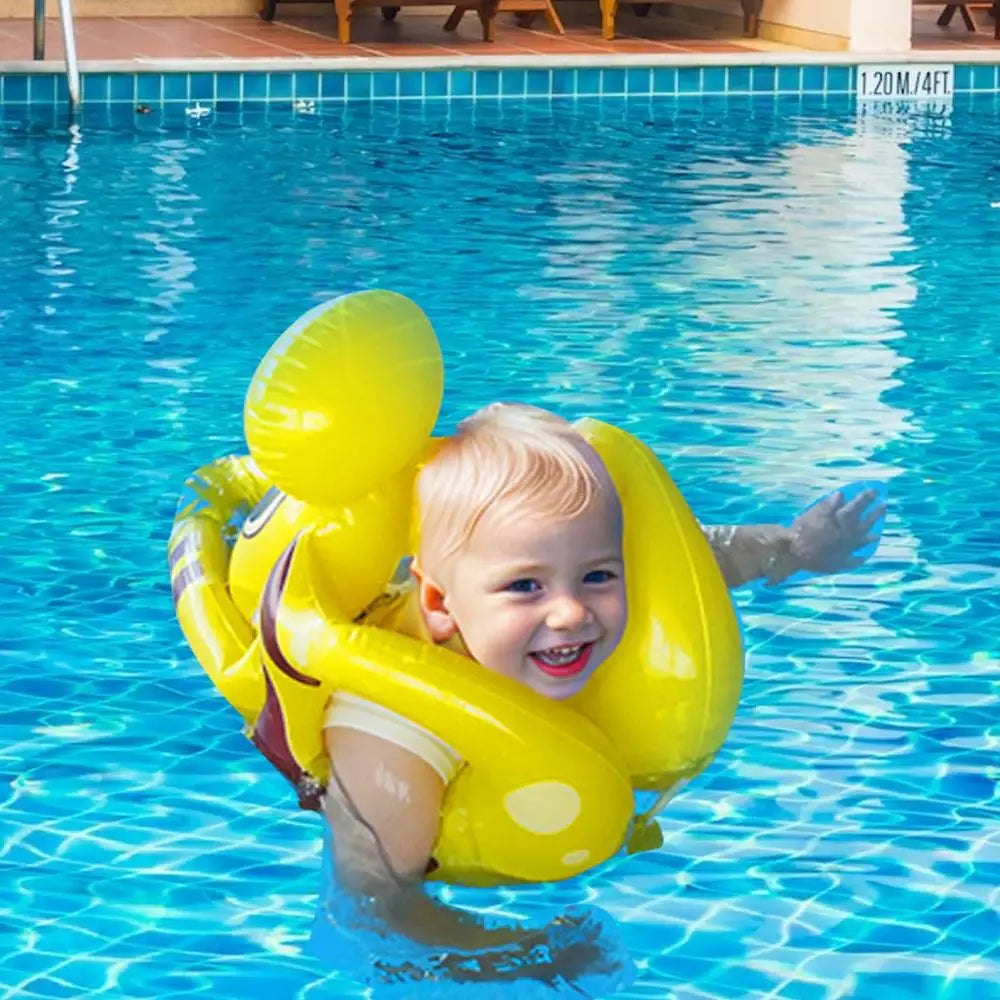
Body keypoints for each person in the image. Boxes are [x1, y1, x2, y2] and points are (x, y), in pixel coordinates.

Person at [314, 403, 884, 990]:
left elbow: (697, 560)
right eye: (525, 585)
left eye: (597, 576)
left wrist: (791, 548)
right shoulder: (393, 733)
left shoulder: (572, 587)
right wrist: (527, 961)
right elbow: (363, 914)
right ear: (438, 604)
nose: (571, 611)